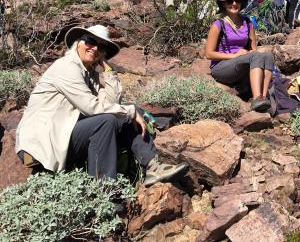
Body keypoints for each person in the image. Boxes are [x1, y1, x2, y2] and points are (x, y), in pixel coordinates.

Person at [15, 25, 189, 186]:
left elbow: (112, 104)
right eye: (90, 41)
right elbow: (92, 108)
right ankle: (104, 192)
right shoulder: (66, 67)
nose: (95, 48)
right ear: (77, 43)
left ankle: (153, 166)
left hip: (63, 134)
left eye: (102, 47)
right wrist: (129, 111)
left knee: (126, 114)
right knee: (107, 121)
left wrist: (108, 70)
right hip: (43, 141)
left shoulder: (88, 76)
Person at [205, 0, 274, 112]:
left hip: (241, 62)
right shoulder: (218, 24)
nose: (234, 3)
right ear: (224, 4)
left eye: (237, 0)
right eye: (230, 1)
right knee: (255, 56)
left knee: (268, 56)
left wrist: (247, 54)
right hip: (221, 66)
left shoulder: (247, 23)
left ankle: (263, 97)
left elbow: (254, 49)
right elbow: (209, 54)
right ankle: (256, 98)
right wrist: (235, 55)